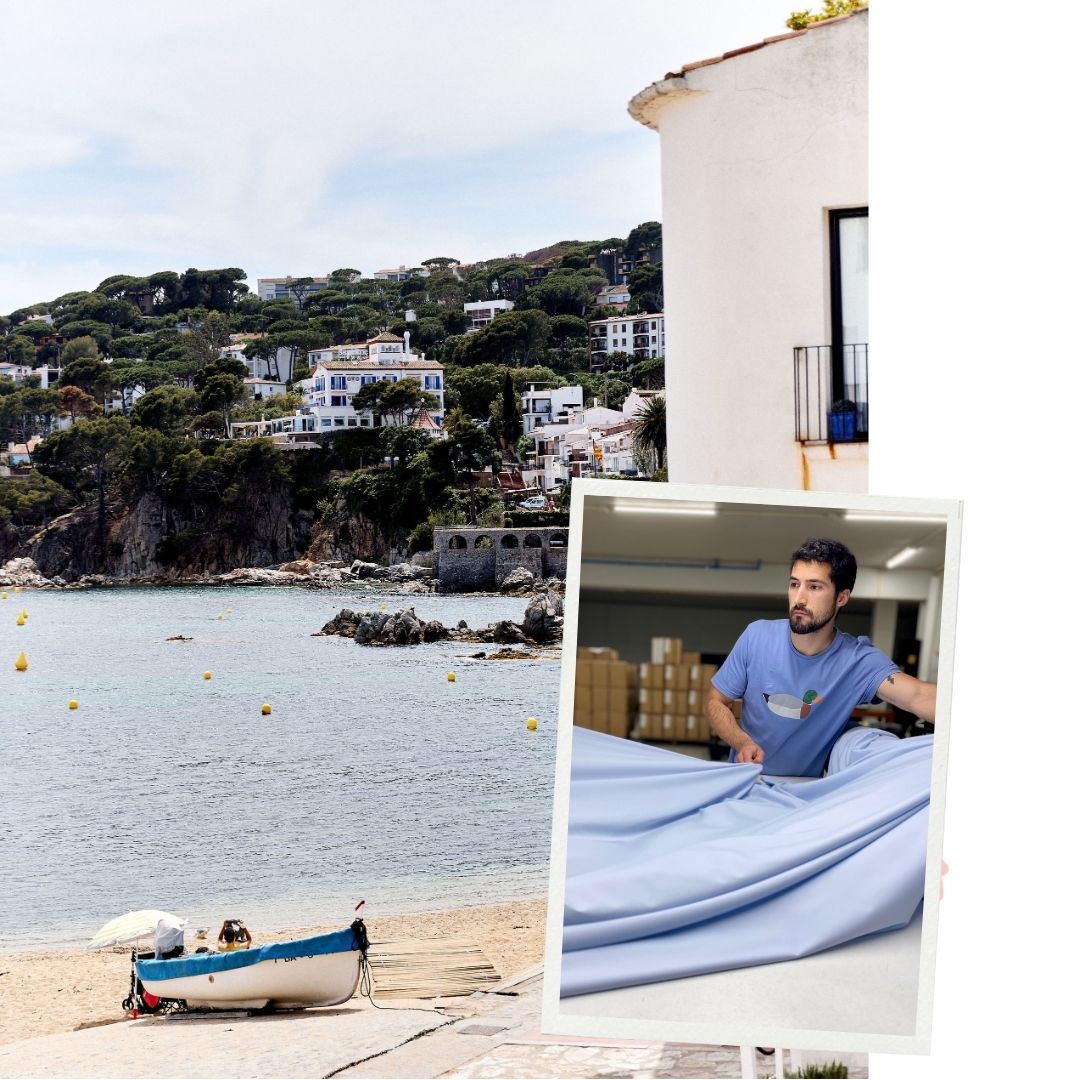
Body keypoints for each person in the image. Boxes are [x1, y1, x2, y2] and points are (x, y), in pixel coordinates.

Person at [706, 537, 937, 777]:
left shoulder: (858, 661)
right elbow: (716, 701)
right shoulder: (757, 636)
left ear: (841, 598)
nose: (799, 599)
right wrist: (742, 742)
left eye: (814, 587)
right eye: (795, 584)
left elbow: (919, 696)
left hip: (806, 795)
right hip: (746, 783)